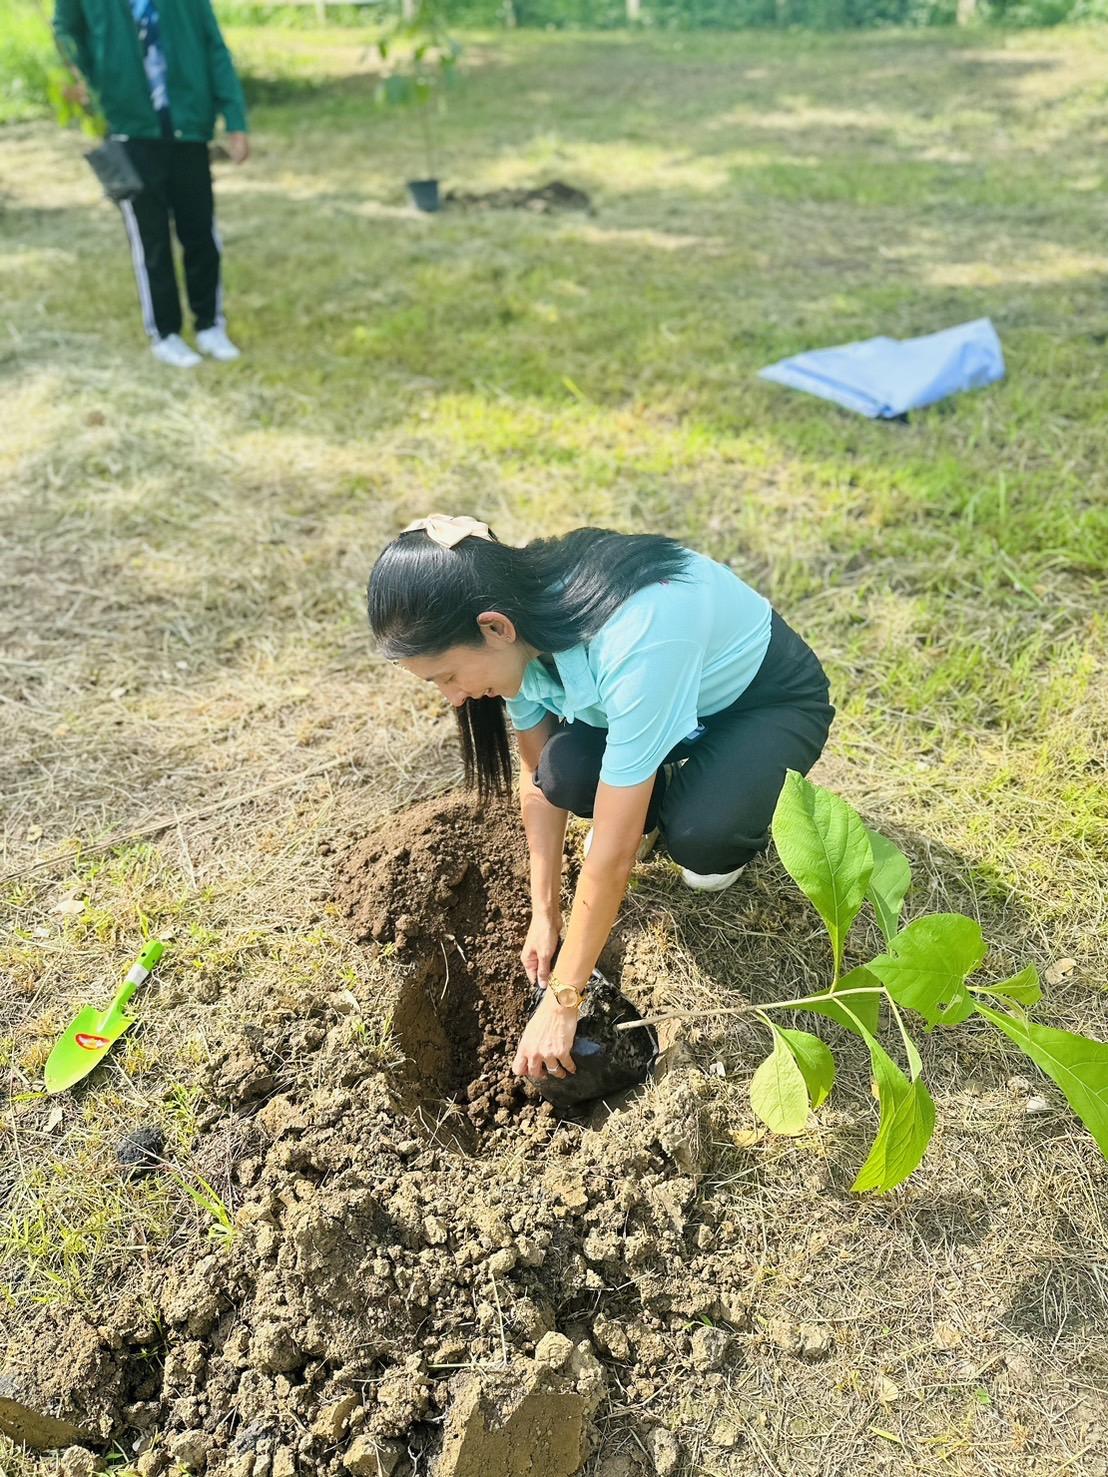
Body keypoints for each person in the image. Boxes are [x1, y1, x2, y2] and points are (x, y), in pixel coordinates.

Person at [367, 515, 835, 1085]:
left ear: (494, 628)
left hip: (763, 702)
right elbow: (539, 784)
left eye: (448, 675)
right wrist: (545, 913)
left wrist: (563, 1003)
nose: (456, 698)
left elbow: (609, 859)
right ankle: (657, 791)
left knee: (700, 843)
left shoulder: (639, 636)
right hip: (658, 700)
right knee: (564, 773)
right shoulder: (523, 627)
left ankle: (719, 814)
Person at [54, 0, 249, 369]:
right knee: (151, 238)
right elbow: (66, 32)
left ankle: (209, 324)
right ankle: (165, 333)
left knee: (200, 232)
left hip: (188, 126)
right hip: (128, 126)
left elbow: (213, 44)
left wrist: (234, 118)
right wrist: (81, 79)